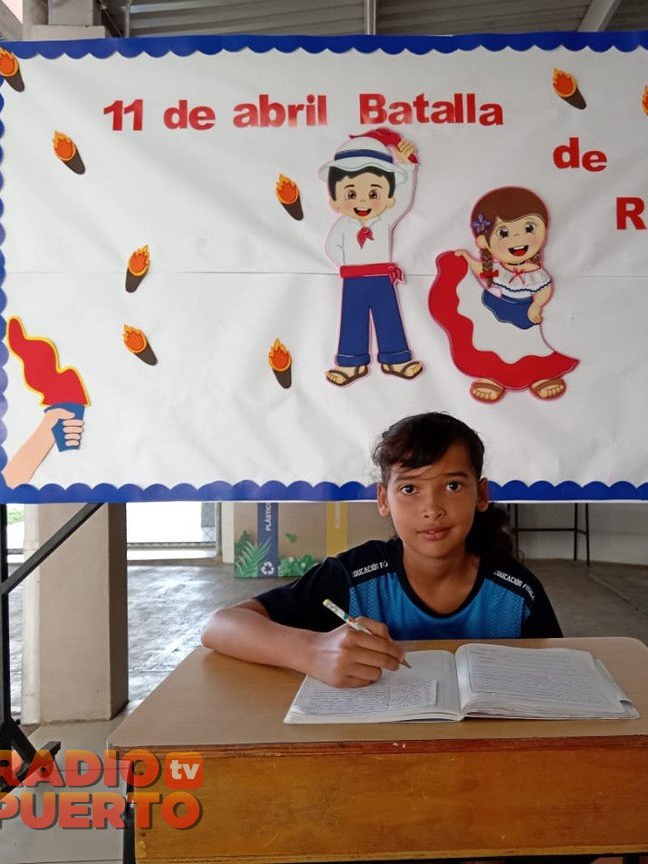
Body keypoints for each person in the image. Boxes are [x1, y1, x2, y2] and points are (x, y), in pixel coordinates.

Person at [201, 412, 562, 687]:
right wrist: (309, 652)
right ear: (383, 499)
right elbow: (219, 626)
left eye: (452, 486)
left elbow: (557, 678)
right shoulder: (353, 577)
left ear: (481, 495)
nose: (432, 509)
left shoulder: (518, 593)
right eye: (409, 489)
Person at [428, 186, 578, 404]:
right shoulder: (499, 269)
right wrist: (467, 260)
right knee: (490, 341)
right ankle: (494, 377)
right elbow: (481, 270)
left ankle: (538, 376)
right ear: (484, 242)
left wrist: (536, 305)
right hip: (495, 307)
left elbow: (543, 289)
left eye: (528, 228)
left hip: (523, 312)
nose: (517, 237)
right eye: (504, 232)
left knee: (528, 344)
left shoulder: (535, 273)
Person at [319, 128, 425, 387]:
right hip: (353, 279)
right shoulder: (343, 226)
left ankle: (396, 358)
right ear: (334, 201)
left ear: (389, 199)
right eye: (351, 194)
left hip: (381, 277)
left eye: (374, 193)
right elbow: (332, 248)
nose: (363, 201)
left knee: (388, 316)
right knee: (352, 319)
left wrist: (407, 165)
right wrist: (348, 263)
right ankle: (350, 362)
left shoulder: (385, 219)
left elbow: (404, 197)